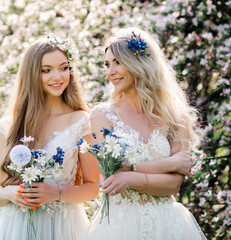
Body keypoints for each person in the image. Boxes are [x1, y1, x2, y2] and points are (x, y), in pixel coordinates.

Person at [88, 27, 207, 239]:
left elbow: (173, 185)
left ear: (139, 64)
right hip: (119, 227)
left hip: (168, 224)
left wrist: (131, 175)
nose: (110, 71)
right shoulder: (102, 115)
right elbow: (113, 177)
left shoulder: (176, 117)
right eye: (107, 64)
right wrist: (171, 163)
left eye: (118, 62)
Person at [0, 36, 100, 240]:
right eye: (46, 70)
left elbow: (93, 188)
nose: (57, 77)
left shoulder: (81, 121)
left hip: (63, 226)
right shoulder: (10, 124)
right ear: (32, 74)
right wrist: (11, 194)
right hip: (17, 226)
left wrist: (55, 193)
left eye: (64, 67)